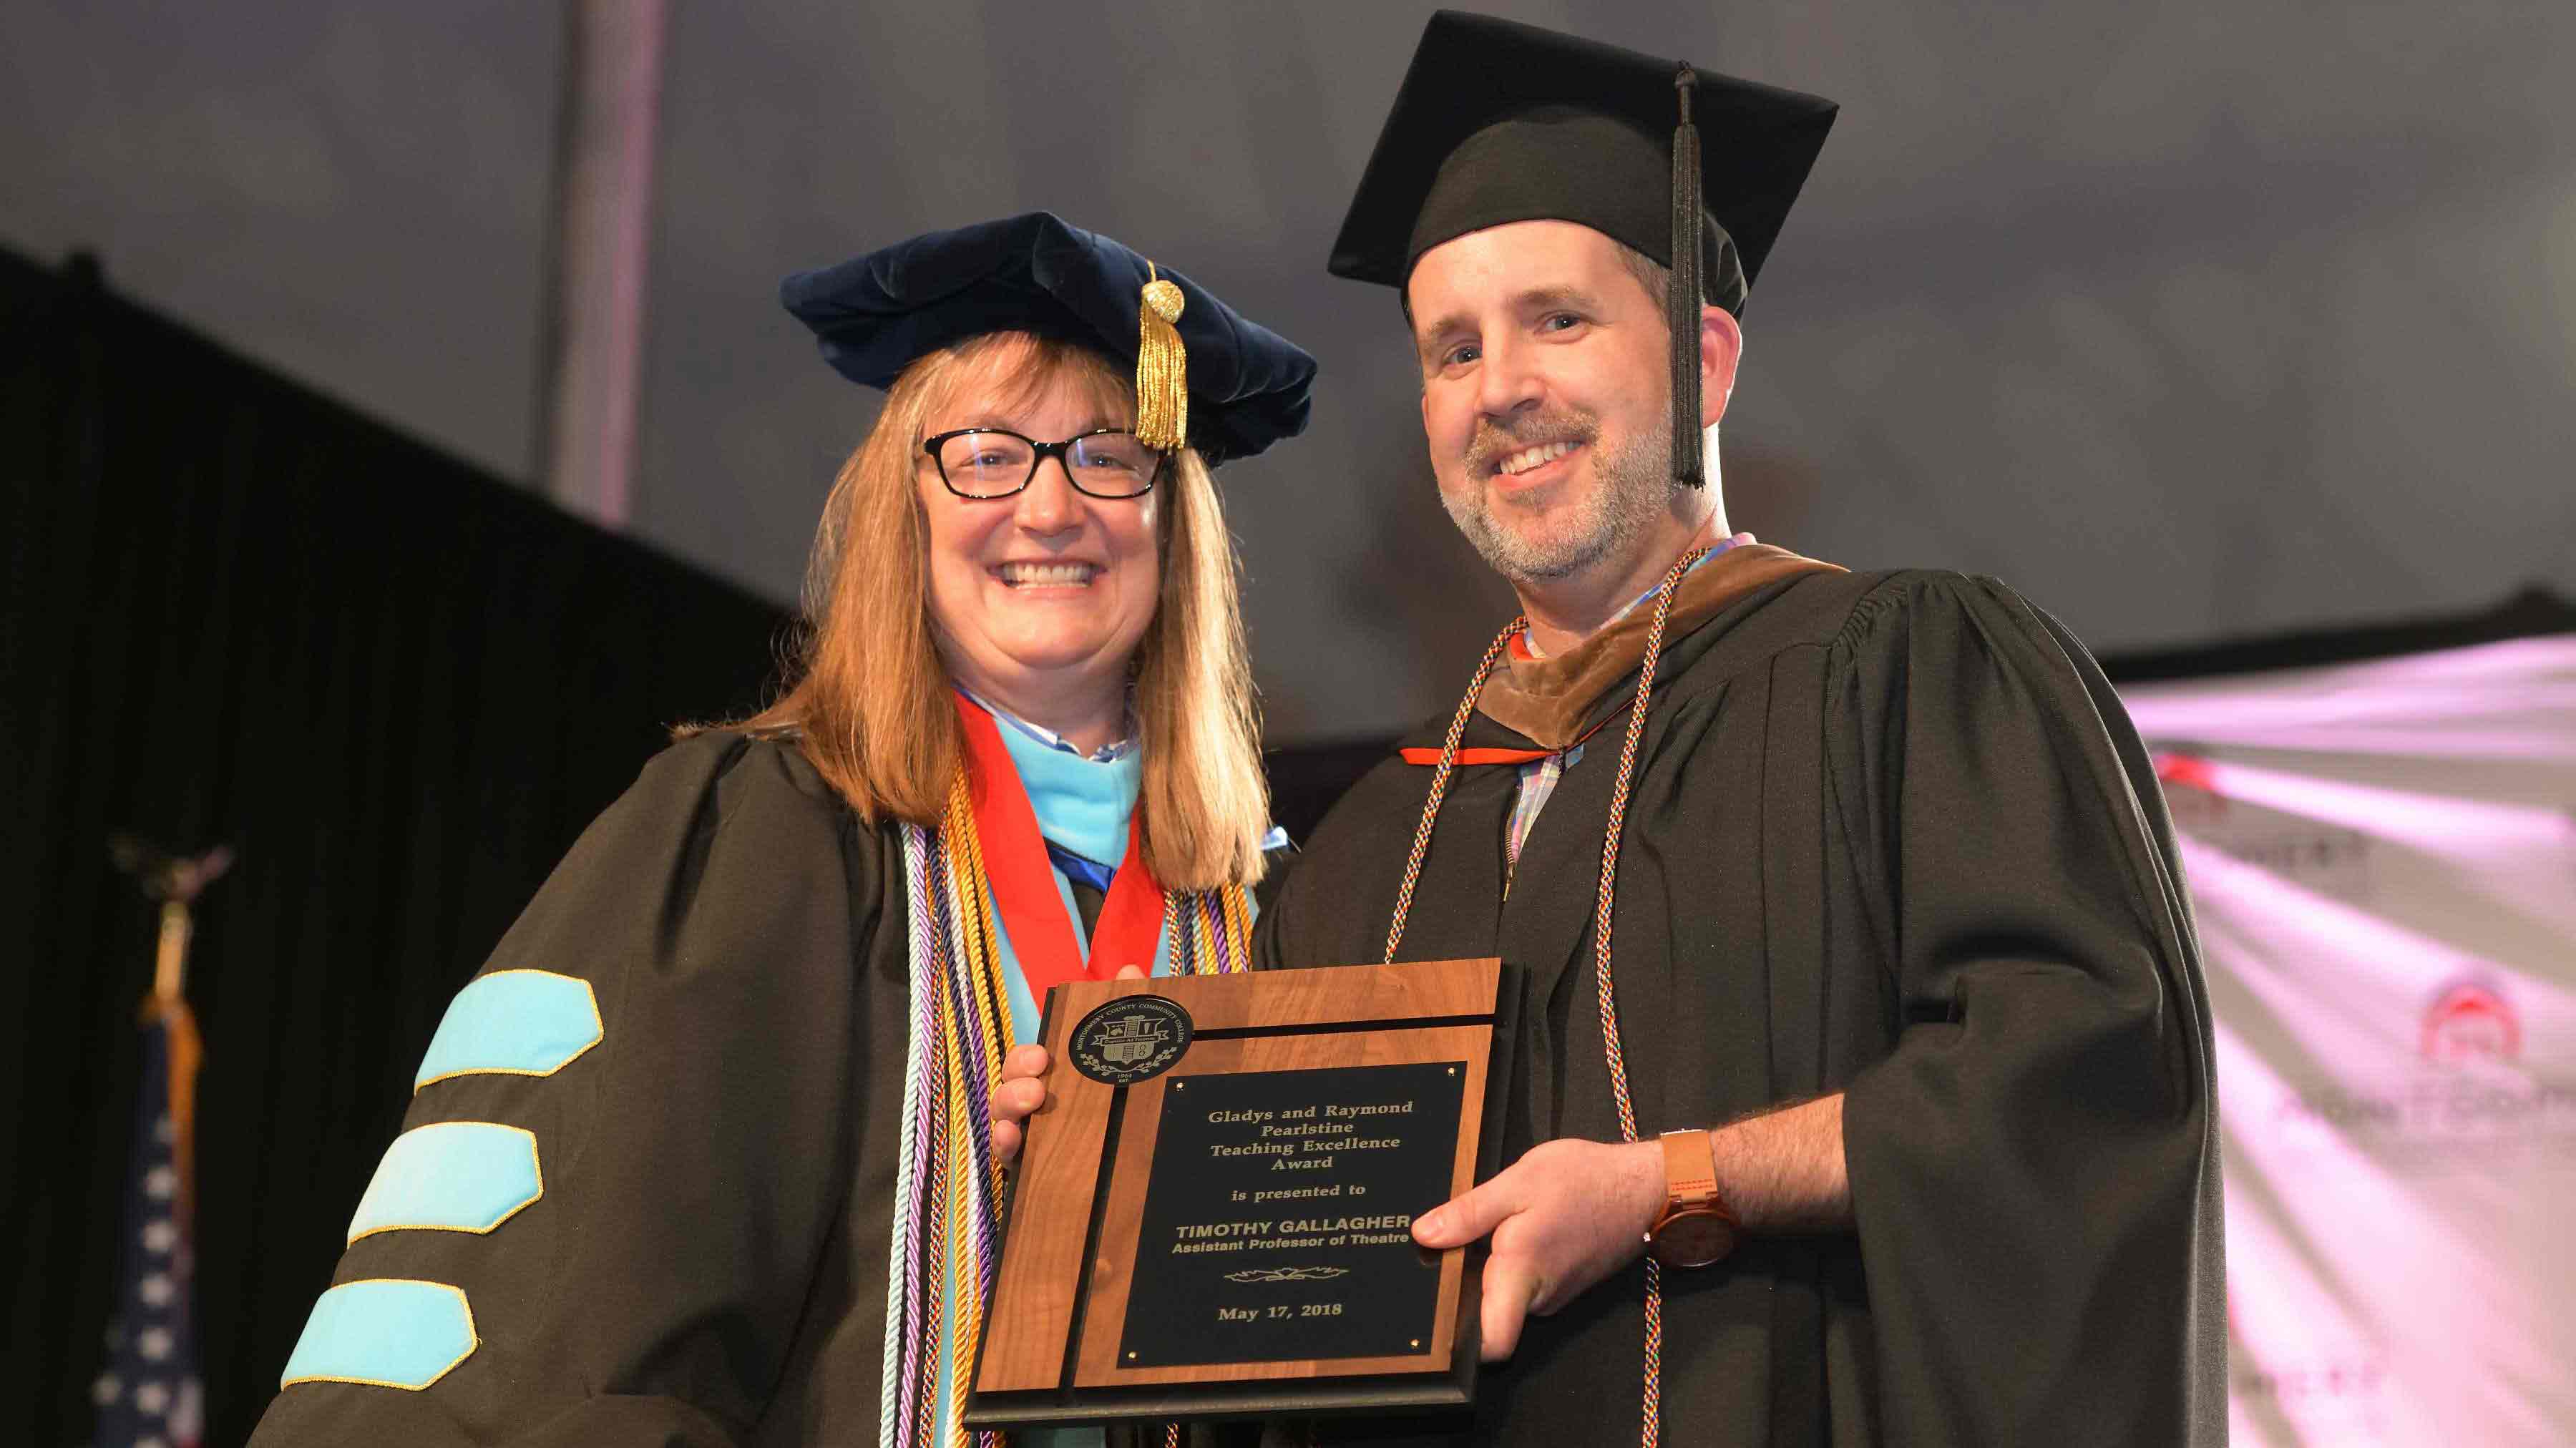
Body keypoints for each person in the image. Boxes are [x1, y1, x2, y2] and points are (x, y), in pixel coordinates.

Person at [1259, 13, 2221, 1446]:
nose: (1500, 387)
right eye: (1451, 350)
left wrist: (1678, 1183)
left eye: (1558, 319)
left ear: (1707, 362)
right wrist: (1098, 1175)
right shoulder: (1362, 856)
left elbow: (2085, 1078)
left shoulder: (1910, 676)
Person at [245, 211, 1316, 1447]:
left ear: (1172, 524)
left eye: (1108, 457)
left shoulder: (1270, 911)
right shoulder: (767, 837)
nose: (1048, 506)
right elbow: (605, 1320)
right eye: (982, 455)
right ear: (901, 512)